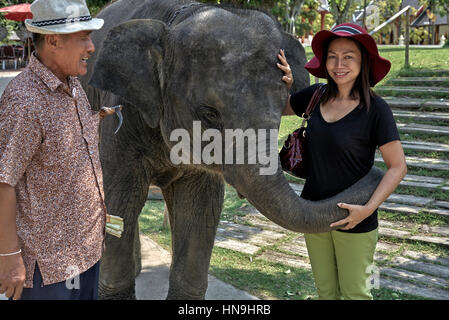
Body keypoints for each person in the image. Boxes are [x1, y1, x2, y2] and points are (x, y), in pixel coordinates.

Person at [277, 23, 407, 300]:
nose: (339, 64)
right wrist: (286, 83)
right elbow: (279, 106)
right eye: (333, 56)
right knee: (326, 293)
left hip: (354, 217)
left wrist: (367, 208)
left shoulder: (376, 109)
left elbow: (398, 166)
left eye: (348, 56)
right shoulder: (316, 96)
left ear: (363, 61)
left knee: (355, 294)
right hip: (313, 212)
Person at [0, 0, 115, 300]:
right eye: (83, 38)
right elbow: (3, 182)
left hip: (86, 253)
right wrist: (9, 257)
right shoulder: (25, 101)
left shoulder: (73, 86)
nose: (91, 47)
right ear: (53, 41)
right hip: (47, 271)